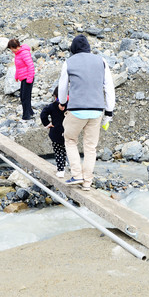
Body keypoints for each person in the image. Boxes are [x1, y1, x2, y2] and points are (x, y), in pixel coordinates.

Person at [57, 34, 115, 191]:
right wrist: (109, 112)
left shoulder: (69, 62)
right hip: (97, 111)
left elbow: (62, 87)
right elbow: (109, 87)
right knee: (90, 147)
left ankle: (77, 175)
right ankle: (87, 182)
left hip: (76, 110)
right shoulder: (101, 61)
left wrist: (62, 103)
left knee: (70, 139)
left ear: (73, 49)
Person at [40, 87, 66, 178]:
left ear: (55, 96)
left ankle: (60, 170)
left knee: (58, 151)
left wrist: (47, 124)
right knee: (65, 149)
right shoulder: (70, 106)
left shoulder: (52, 106)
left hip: (56, 132)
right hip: (68, 132)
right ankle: (64, 164)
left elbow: (43, 114)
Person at [8, 38, 35, 120]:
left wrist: (29, 79)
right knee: (24, 96)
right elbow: (19, 67)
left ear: (15, 47)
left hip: (27, 77)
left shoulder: (24, 53)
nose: (11, 51)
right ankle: (30, 112)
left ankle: (26, 116)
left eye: (11, 49)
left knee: (25, 97)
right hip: (23, 77)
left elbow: (31, 66)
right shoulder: (18, 54)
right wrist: (17, 76)